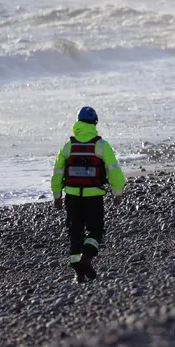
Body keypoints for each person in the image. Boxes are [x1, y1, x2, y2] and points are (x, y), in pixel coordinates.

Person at [51, 105, 126, 283]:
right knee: (95, 230)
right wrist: (118, 193)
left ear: (77, 123)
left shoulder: (68, 146)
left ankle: (78, 272)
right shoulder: (101, 146)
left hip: (72, 196)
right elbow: (114, 171)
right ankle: (87, 257)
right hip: (94, 196)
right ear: (95, 123)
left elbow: (57, 173)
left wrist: (56, 196)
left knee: (74, 232)